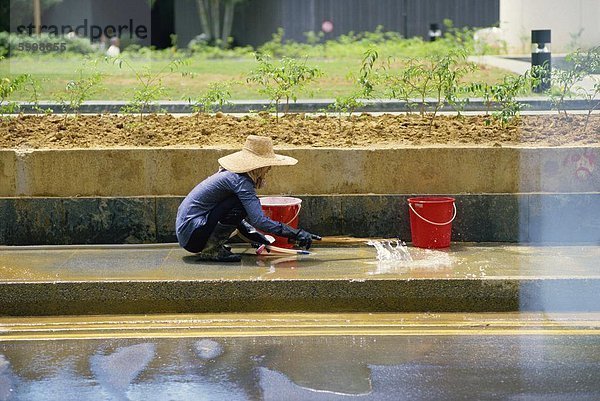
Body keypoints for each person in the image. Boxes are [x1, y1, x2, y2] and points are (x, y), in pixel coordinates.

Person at [176, 135, 321, 262]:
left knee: (237, 204)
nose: (269, 170)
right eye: (268, 166)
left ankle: (212, 245)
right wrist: (296, 233)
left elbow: (233, 216)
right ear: (258, 166)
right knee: (238, 203)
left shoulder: (232, 176)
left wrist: (256, 237)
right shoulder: (241, 181)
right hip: (192, 235)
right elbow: (259, 220)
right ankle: (212, 249)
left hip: (188, 234)